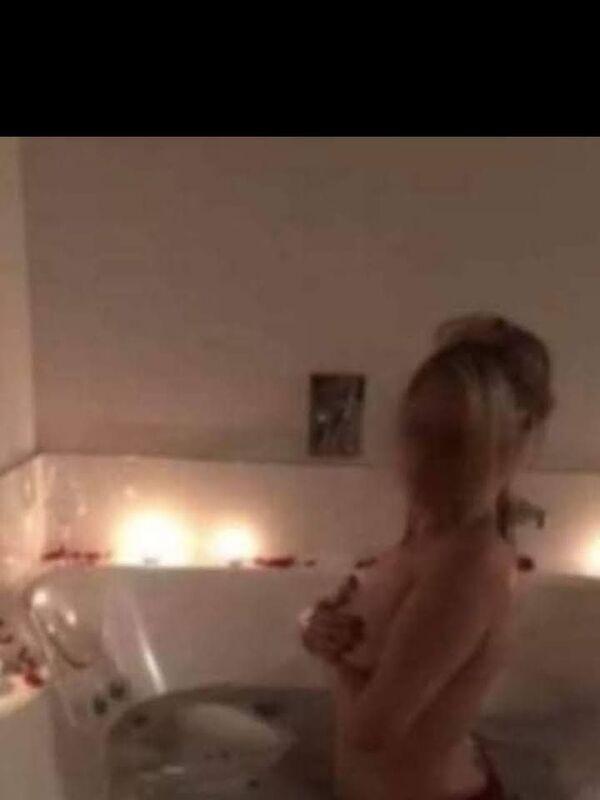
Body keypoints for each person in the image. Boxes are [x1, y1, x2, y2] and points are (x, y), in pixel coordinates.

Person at [299, 314, 554, 800]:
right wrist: (316, 627)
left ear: (505, 447)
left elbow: (370, 732)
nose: (426, 458)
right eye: (418, 430)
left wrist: (333, 654)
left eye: (457, 441)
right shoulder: (424, 536)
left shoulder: (469, 566)